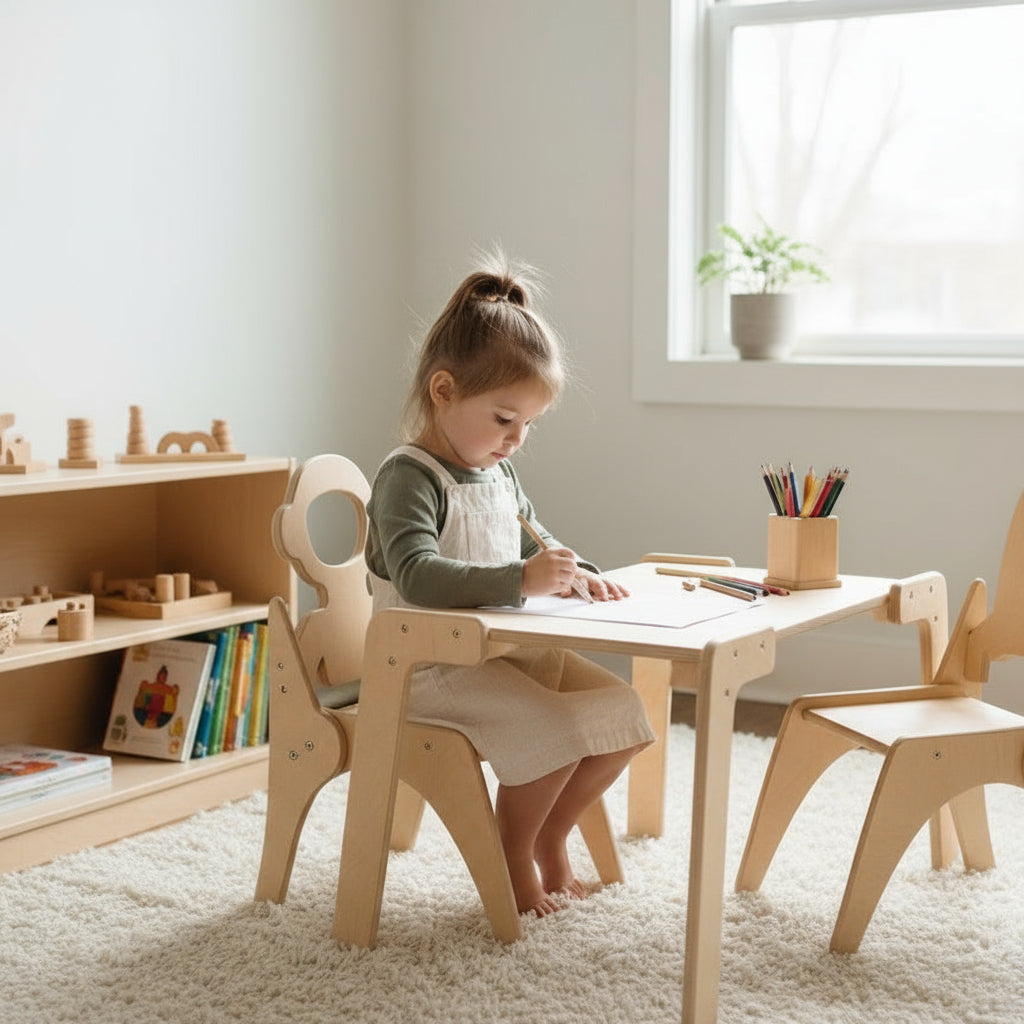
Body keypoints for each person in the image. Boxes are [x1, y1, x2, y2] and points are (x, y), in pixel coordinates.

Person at [365, 251, 655, 919]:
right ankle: (513, 852)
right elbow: (415, 573)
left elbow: (532, 533)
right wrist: (523, 578)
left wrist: (568, 566)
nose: (517, 439)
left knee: (625, 718)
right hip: (429, 666)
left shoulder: (496, 472)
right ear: (444, 391)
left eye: (528, 425)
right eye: (503, 419)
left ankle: (554, 831)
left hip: (505, 651)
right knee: (553, 733)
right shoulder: (408, 476)